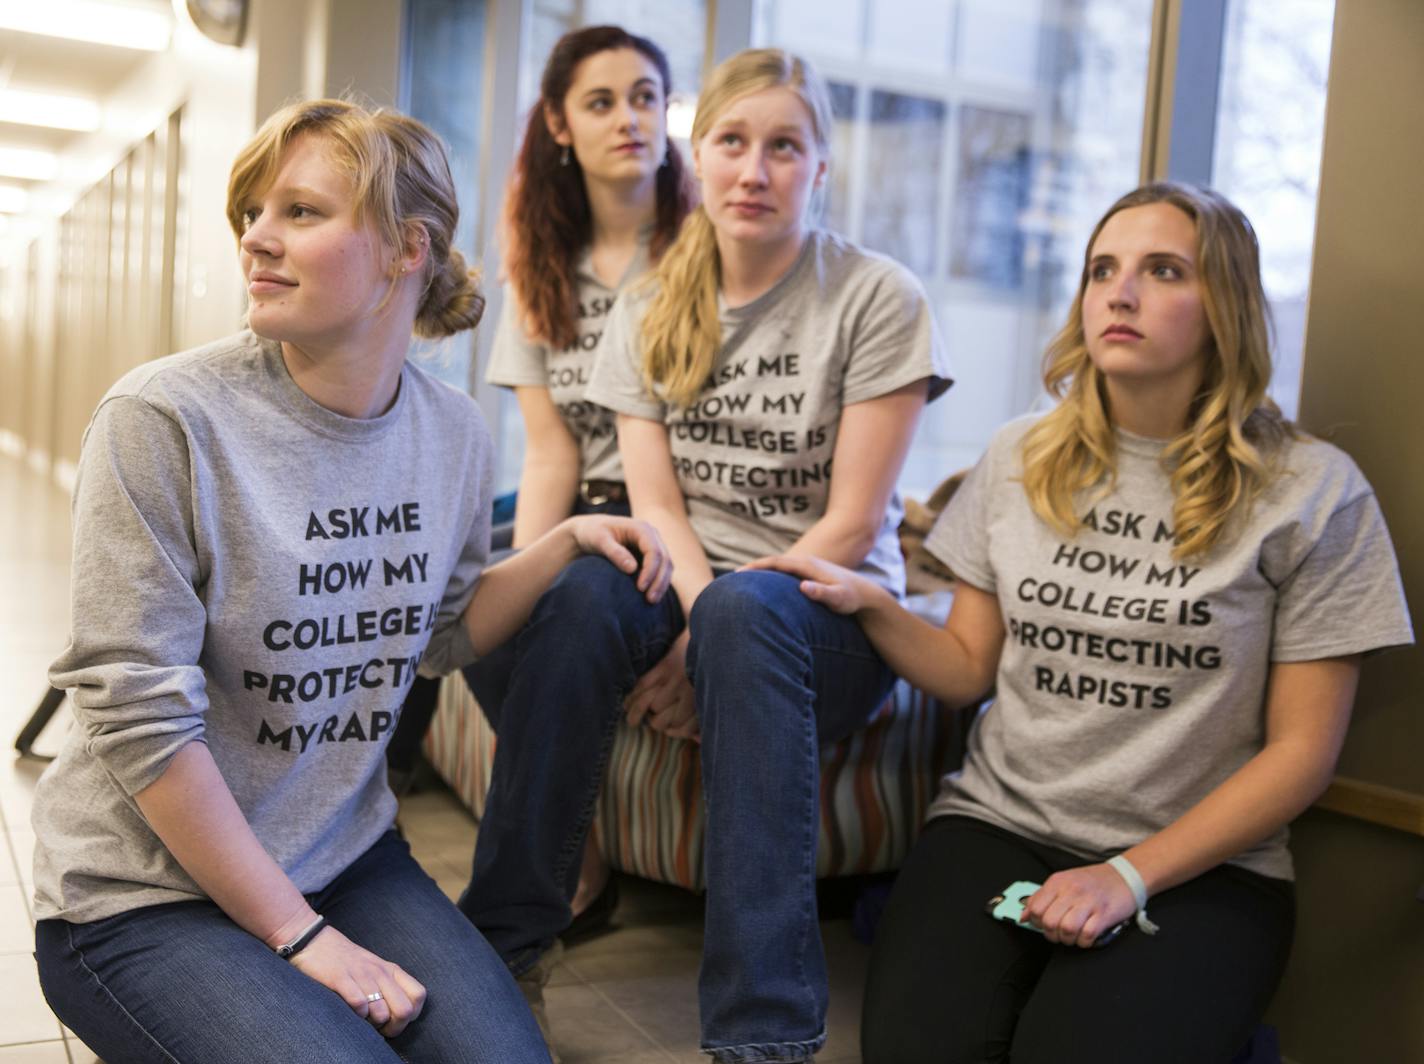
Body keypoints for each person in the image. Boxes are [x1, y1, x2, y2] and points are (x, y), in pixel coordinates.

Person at [30, 98, 670, 1064]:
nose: (256, 237)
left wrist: (563, 542)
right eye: (254, 211)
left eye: (301, 212)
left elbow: (443, 635)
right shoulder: (164, 418)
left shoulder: (452, 432)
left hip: (346, 857)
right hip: (141, 898)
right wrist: (302, 939)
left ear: (406, 248)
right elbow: (139, 718)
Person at [750, 183, 1414, 1063]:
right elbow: (963, 667)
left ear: (1225, 307)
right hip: (996, 825)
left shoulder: (1314, 491)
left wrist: (1127, 876)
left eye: (1162, 270)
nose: (1120, 292)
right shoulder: (1019, 456)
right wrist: (871, 598)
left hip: (1202, 871)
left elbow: (1302, 754)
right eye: (1104, 270)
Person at [458, 47, 950, 1063]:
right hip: (688, 583)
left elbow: (855, 523)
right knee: (582, 599)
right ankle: (502, 955)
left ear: (821, 168)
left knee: (744, 613)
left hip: (830, 610)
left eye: (784, 147)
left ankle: (761, 1035)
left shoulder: (875, 296)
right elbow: (655, 504)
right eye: (731, 142)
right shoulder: (651, 301)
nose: (753, 170)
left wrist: (721, 625)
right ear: (703, 153)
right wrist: (695, 622)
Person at [385, 26, 693, 934]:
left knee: (573, 604)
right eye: (602, 102)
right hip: (575, 497)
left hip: (668, 512)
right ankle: (356, 840)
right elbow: (552, 451)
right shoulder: (539, 268)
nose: (630, 118)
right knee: (436, 570)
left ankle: (533, 896)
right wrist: (525, 569)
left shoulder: (703, 253)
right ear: (559, 124)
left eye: (647, 97)